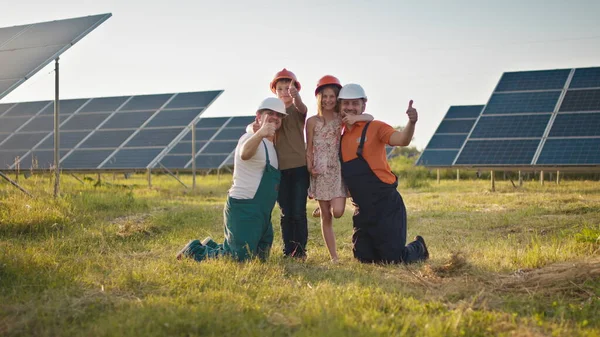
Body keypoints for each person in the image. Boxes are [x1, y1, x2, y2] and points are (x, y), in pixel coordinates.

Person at [176, 97, 286, 262]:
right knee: (238, 259)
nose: (275, 117)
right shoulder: (249, 137)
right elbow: (244, 153)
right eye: (270, 113)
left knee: (260, 258)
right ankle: (194, 250)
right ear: (258, 116)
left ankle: (211, 246)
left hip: (262, 213)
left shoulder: (271, 145)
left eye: (279, 115)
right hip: (245, 208)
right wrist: (260, 133)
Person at [337, 83, 429, 264]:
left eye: (355, 103)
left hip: (387, 206)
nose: (350, 107)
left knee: (392, 259)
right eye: (346, 103)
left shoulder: (376, 127)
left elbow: (402, 140)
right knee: (364, 259)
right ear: (340, 106)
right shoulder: (339, 136)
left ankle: (419, 247)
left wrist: (412, 122)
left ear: (364, 105)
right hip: (362, 211)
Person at [305, 75, 373, 261]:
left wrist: (354, 117)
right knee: (327, 217)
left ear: (337, 99)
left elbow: (369, 117)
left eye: (332, 96)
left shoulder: (341, 119)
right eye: (324, 96)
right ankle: (334, 256)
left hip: (336, 170)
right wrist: (310, 166)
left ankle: (323, 207)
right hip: (320, 171)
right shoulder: (311, 121)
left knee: (338, 212)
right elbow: (309, 146)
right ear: (319, 98)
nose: (328, 100)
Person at [249, 68, 310, 259]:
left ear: (295, 90)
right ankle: (288, 249)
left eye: (289, 88)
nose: (285, 91)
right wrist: (253, 128)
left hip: (299, 168)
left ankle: (299, 251)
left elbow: (303, 107)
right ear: (274, 91)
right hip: (279, 169)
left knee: (298, 211)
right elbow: (254, 126)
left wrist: (297, 97)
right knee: (286, 212)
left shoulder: (297, 110)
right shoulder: (273, 114)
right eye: (281, 88)